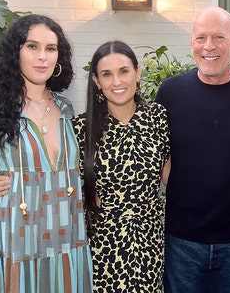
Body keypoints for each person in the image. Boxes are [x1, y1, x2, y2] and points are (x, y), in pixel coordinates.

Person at [0, 14, 93, 293]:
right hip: (11, 252)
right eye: (32, 46)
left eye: (50, 49)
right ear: (15, 52)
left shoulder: (65, 109)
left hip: (64, 250)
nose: (42, 57)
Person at [154, 6, 230, 292]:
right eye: (200, 38)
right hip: (182, 243)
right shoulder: (169, 93)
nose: (208, 46)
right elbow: (157, 154)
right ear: (191, 43)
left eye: (219, 37)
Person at [72, 41, 170, 292]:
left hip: (150, 243)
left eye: (124, 71)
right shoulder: (81, 128)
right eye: (107, 74)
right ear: (96, 81)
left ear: (138, 73)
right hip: (102, 247)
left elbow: (172, 177)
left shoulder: (157, 118)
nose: (117, 82)